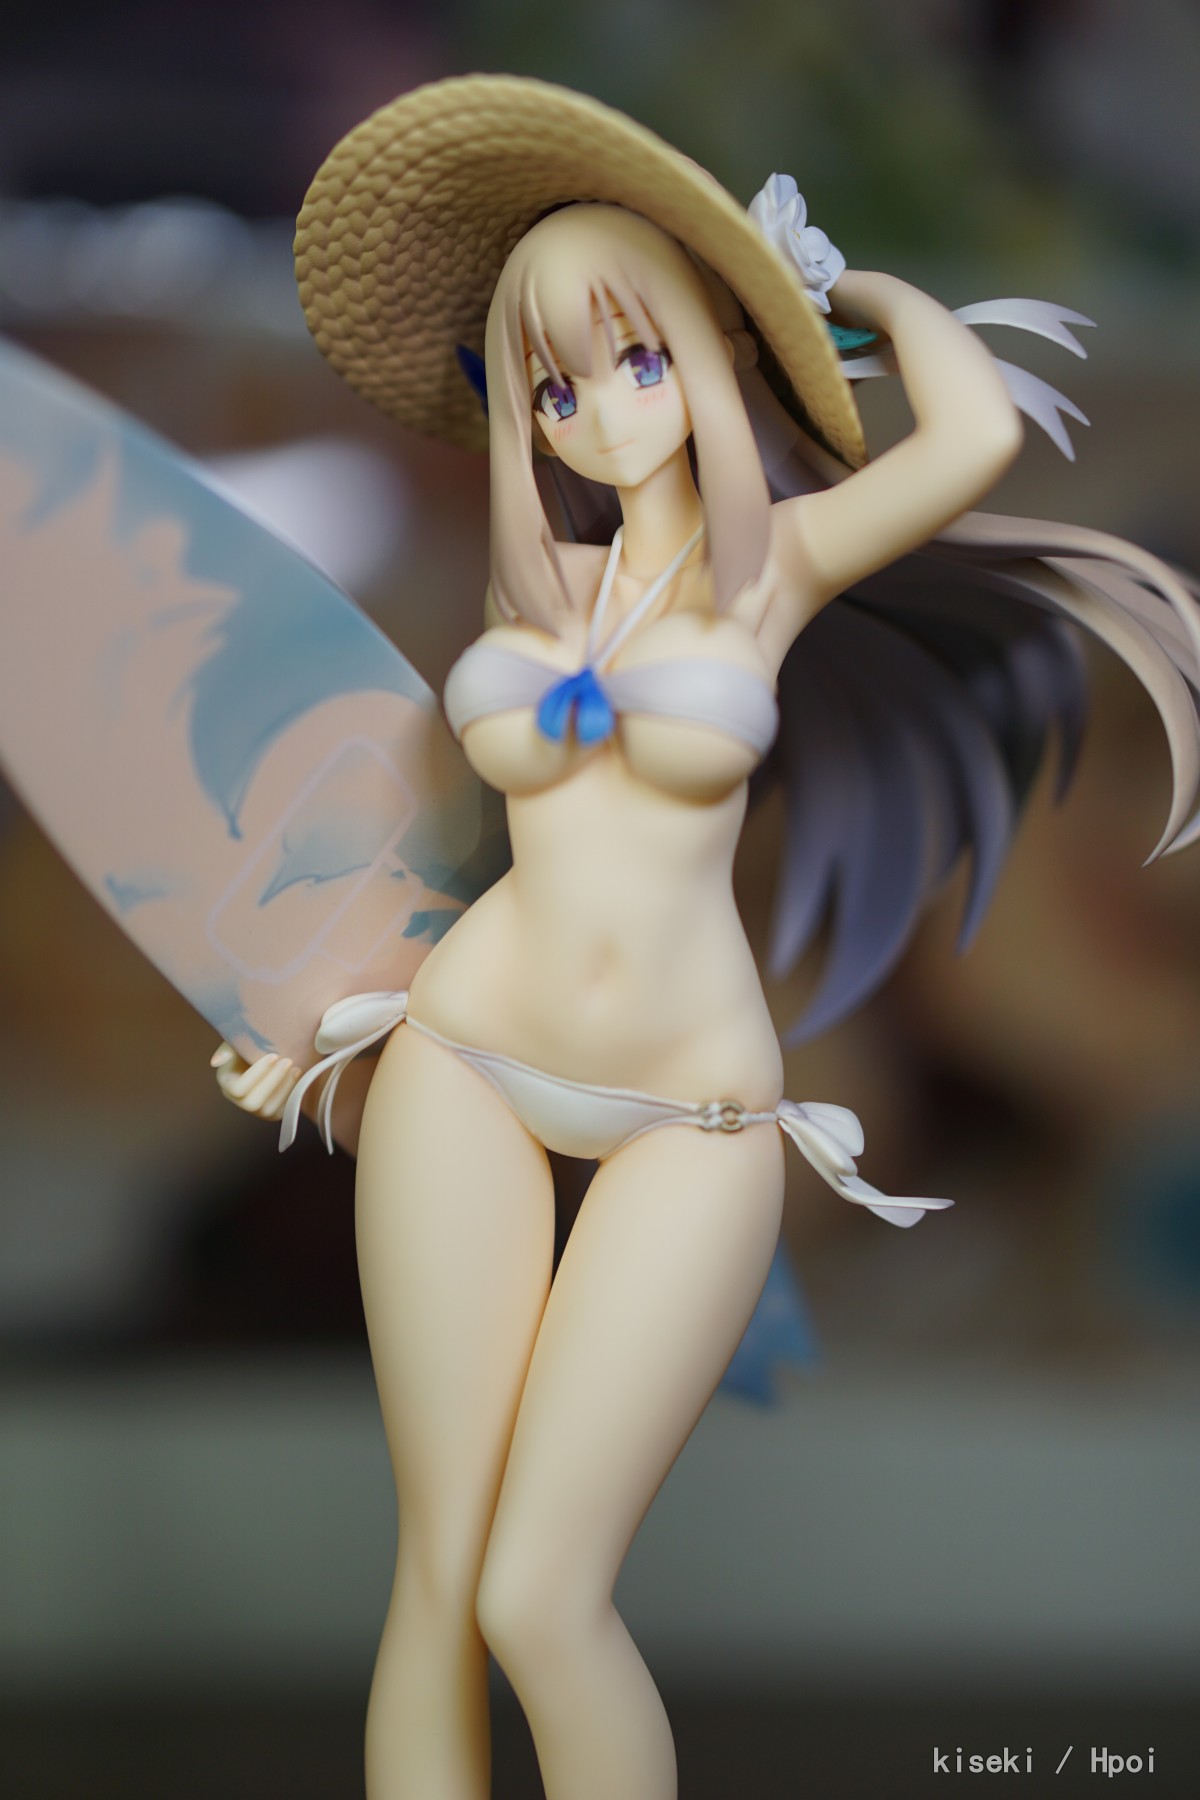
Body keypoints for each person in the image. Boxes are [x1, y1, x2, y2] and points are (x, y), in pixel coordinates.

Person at [214, 76, 1200, 1800]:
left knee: (542, 1595)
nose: (597, 411)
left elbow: (968, 439)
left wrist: (841, 294)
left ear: (713, 354)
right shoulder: (532, 586)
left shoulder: (772, 570)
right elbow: (432, 827)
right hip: (460, 1053)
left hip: (695, 1109)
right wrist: (325, 1016)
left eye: (637, 358)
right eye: (552, 384)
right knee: (436, 1582)